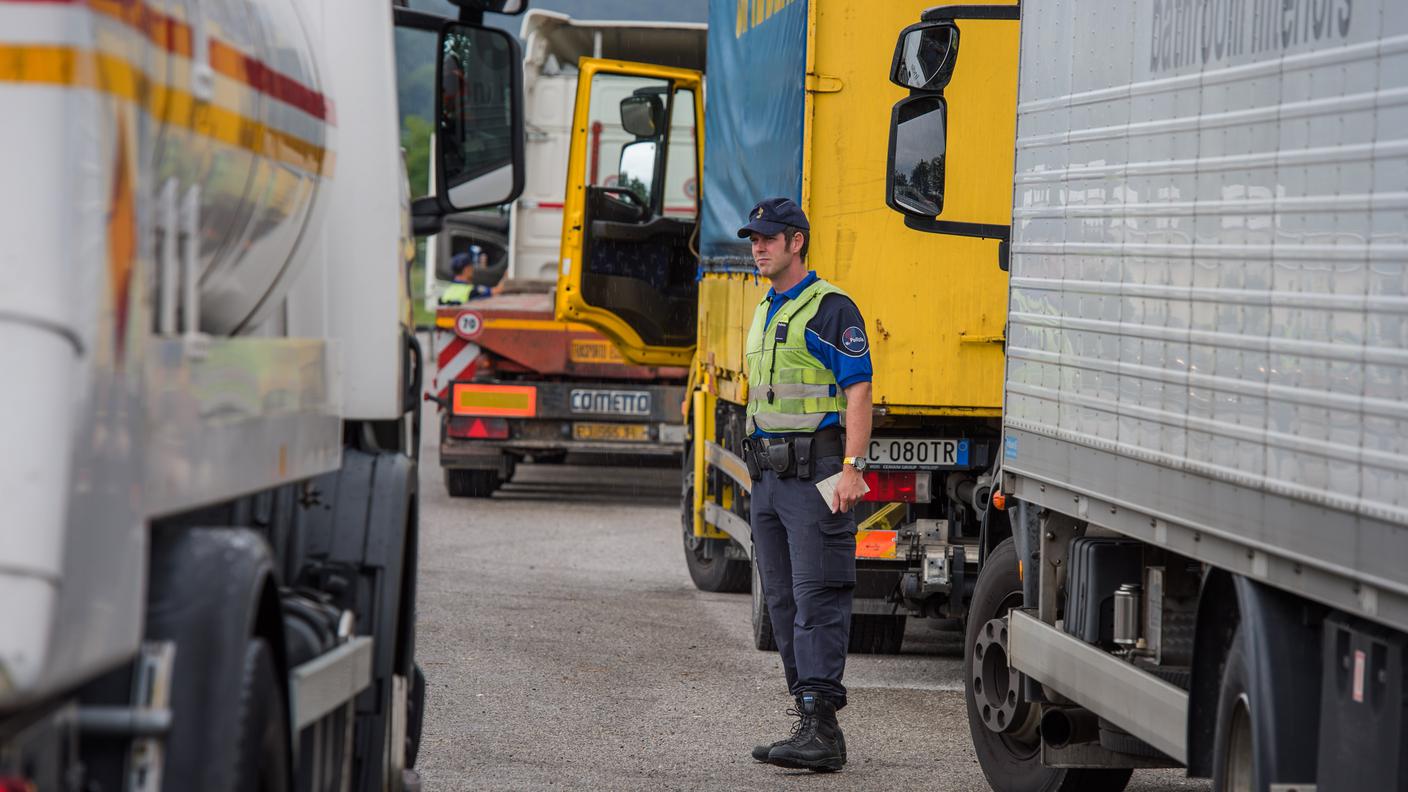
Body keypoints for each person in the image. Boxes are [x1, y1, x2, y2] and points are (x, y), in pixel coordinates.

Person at [738, 197, 873, 773]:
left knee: (818, 596)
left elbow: (859, 390)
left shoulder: (831, 309)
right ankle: (806, 714)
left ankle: (824, 728)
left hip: (816, 474)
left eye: (769, 237)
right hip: (769, 478)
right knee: (785, 600)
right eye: (753, 238)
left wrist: (853, 467)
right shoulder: (767, 308)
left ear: (797, 241)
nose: (758, 246)